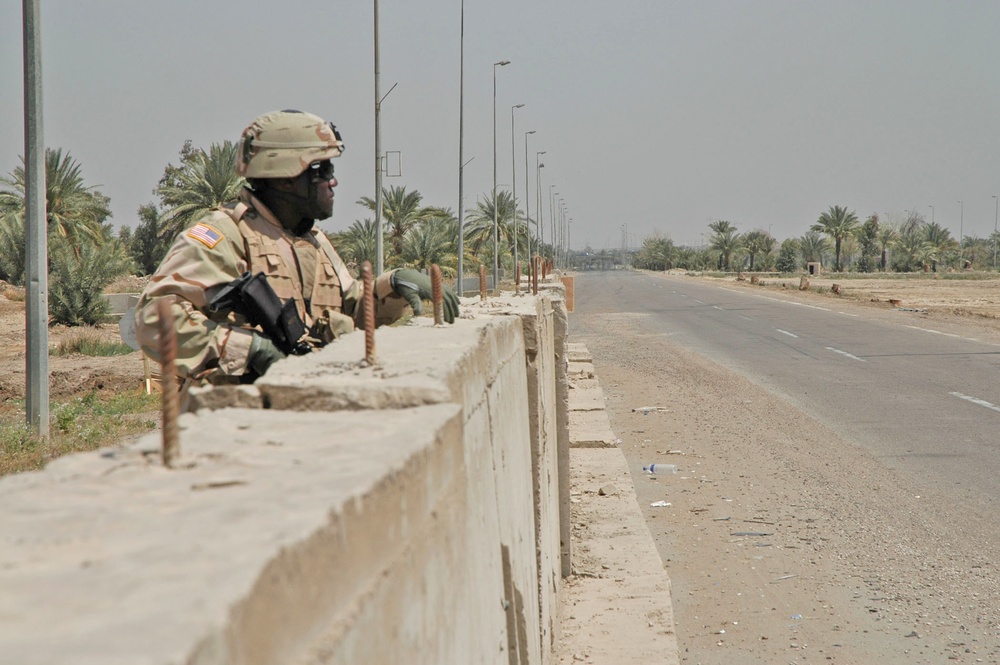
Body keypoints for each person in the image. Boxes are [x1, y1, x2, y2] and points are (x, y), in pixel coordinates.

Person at [135, 109, 459, 389]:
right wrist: (248, 350)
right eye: (324, 171)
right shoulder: (226, 233)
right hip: (234, 421)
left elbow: (353, 310)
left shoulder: (312, 241)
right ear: (287, 176)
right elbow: (153, 317)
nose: (334, 182)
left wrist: (394, 285)